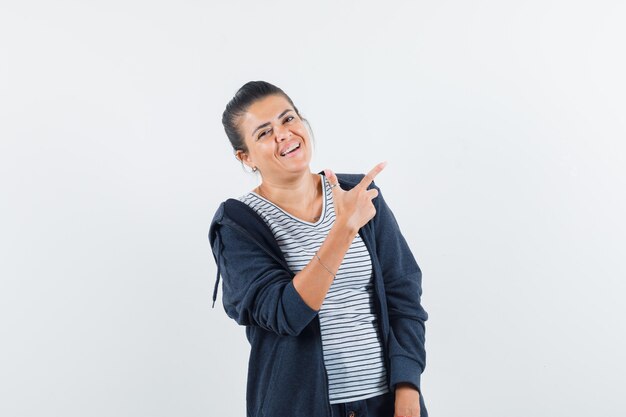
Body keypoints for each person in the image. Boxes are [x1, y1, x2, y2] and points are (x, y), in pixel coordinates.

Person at [208, 81, 428, 417]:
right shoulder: (238, 225)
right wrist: (343, 230)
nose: (283, 134)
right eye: (264, 133)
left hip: (387, 403)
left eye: (288, 119)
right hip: (300, 407)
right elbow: (287, 314)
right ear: (246, 157)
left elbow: (403, 293)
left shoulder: (358, 194)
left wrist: (408, 387)